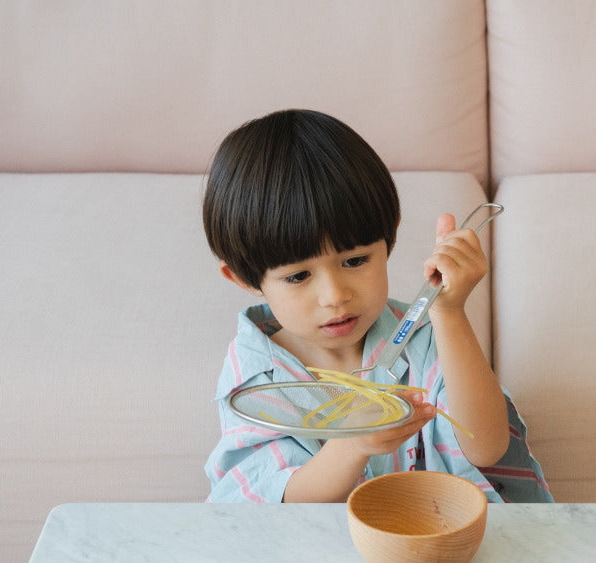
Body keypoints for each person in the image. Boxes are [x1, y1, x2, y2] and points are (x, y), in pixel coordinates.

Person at [202, 109, 552, 503]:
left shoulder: (423, 335)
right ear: (245, 279)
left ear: (389, 239)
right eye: (299, 277)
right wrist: (354, 445)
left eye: (355, 261)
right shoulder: (255, 374)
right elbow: (267, 501)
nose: (335, 295)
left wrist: (450, 313)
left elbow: (487, 447)